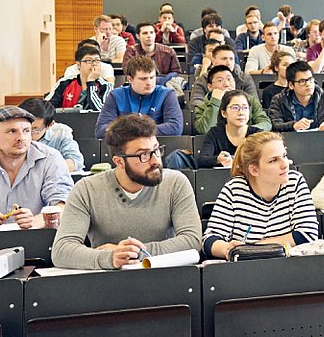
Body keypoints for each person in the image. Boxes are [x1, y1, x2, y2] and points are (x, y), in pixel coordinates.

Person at [51, 115, 202, 269]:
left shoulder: (176, 183)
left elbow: (192, 240)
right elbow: (62, 250)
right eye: (144, 155)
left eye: (156, 150)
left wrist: (133, 253)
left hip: (163, 275)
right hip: (108, 280)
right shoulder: (87, 189)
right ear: (119, 161)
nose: (155, 160)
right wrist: (111, 258)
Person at [202, 132, 320, 258]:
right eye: (273, 160)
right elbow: (210, 240)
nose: (285, 164)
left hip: (289, 268)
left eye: (284, 155)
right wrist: (227, 249)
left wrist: (251, 249)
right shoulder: (234, 190)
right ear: (254, 170)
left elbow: (308, 234)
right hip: (247, 270)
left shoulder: (295, 181)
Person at [95, 55, 183, 137]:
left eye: (152, 77)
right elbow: (101, 130)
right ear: (130, 79)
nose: (149, 83)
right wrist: (141, 131)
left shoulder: (167, 94)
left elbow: (175, 127)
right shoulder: (115, 96)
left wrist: (132, 131)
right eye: (143, 79)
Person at [268, 60, 324, 132]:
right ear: (291, 85)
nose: (308, 84)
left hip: (320, 141)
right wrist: (293, 126)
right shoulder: (279, 100)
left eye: (310, 79)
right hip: (292, 142)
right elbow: (275, 125)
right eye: (302, 81)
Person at [192, 64, 271, 134]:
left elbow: (266, 123)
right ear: (209, 87)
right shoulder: (202, 106)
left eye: (229, 79)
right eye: (220, 80)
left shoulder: (249, 100)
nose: (226, 84)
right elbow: (205, 130)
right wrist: (215, 102)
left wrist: (245, 131)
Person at [196, 89, 262, 169]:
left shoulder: (257, 135)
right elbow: (202, 160)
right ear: (224, 113)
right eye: (235, 108)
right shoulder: (215, 133)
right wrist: (218, 159)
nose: (241, 112)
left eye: (245, 108)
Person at [18, 98, 84, 173]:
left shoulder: (61, 132)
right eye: (24, 129)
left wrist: (49, 171)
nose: (26, 135)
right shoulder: (10, 132)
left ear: (49, 125)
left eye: (34, 129)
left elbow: (75, 161)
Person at [189, 43, 260, 111]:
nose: (228, 63)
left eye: (231, 59)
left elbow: (255, 105)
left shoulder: (245, 79)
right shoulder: (203, 79)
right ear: (213, 61)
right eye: (224, 59)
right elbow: (195, 104)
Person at [46, 44, 112, 110]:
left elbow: (101, 111)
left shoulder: (106, 86)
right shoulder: (64, 82)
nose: (94, 64)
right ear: (78, 65)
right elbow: (48, 108)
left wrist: (91, 82)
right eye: (89, 60)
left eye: (97, 60)